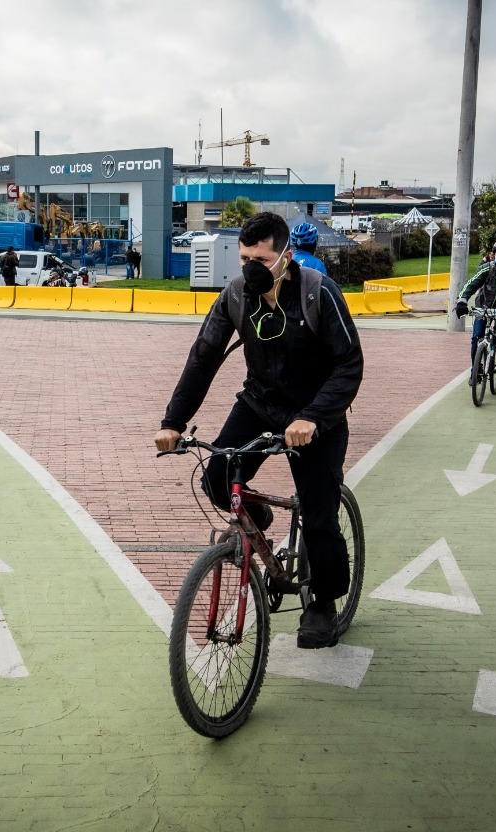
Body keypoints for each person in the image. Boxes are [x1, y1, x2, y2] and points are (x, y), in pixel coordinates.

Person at [154, 212, 363, 650]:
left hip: (315, 415)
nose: (251, 267)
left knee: (319, 512)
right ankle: (259, 520)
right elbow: (203, 358)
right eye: (244, 257)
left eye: (262, 259)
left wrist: (313, 417)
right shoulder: (236, 296)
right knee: (216, 477)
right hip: (259, 404)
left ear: (287, 256)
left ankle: (323, 602)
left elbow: (349, 364)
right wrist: (172, 421)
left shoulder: (318, 292)